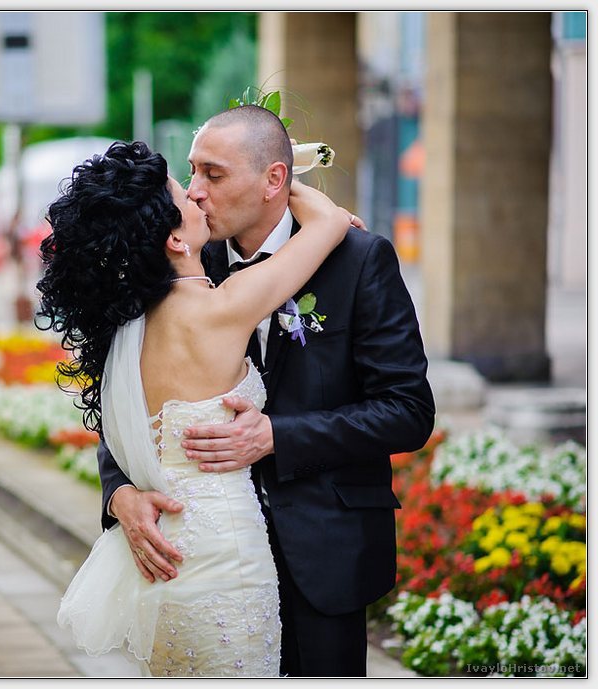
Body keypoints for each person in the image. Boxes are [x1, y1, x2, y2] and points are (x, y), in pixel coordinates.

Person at [99, 105, 435, 677]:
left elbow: (408, 410)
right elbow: (125, 395)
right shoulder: (177, 257)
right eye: (192, 172)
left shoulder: (358, 260)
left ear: (274, 179)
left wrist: (277, 435)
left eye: (214, 174)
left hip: (324, 551)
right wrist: (119, 493)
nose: (196, 191)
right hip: (203, 557)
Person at [36, 139, 353, 677]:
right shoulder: (222, 308)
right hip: (225, 557)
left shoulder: (126, 327)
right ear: (176, 238)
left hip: (162, 561)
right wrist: (276, 171)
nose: (199, 196)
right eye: (186, 195)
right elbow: (330, 221)